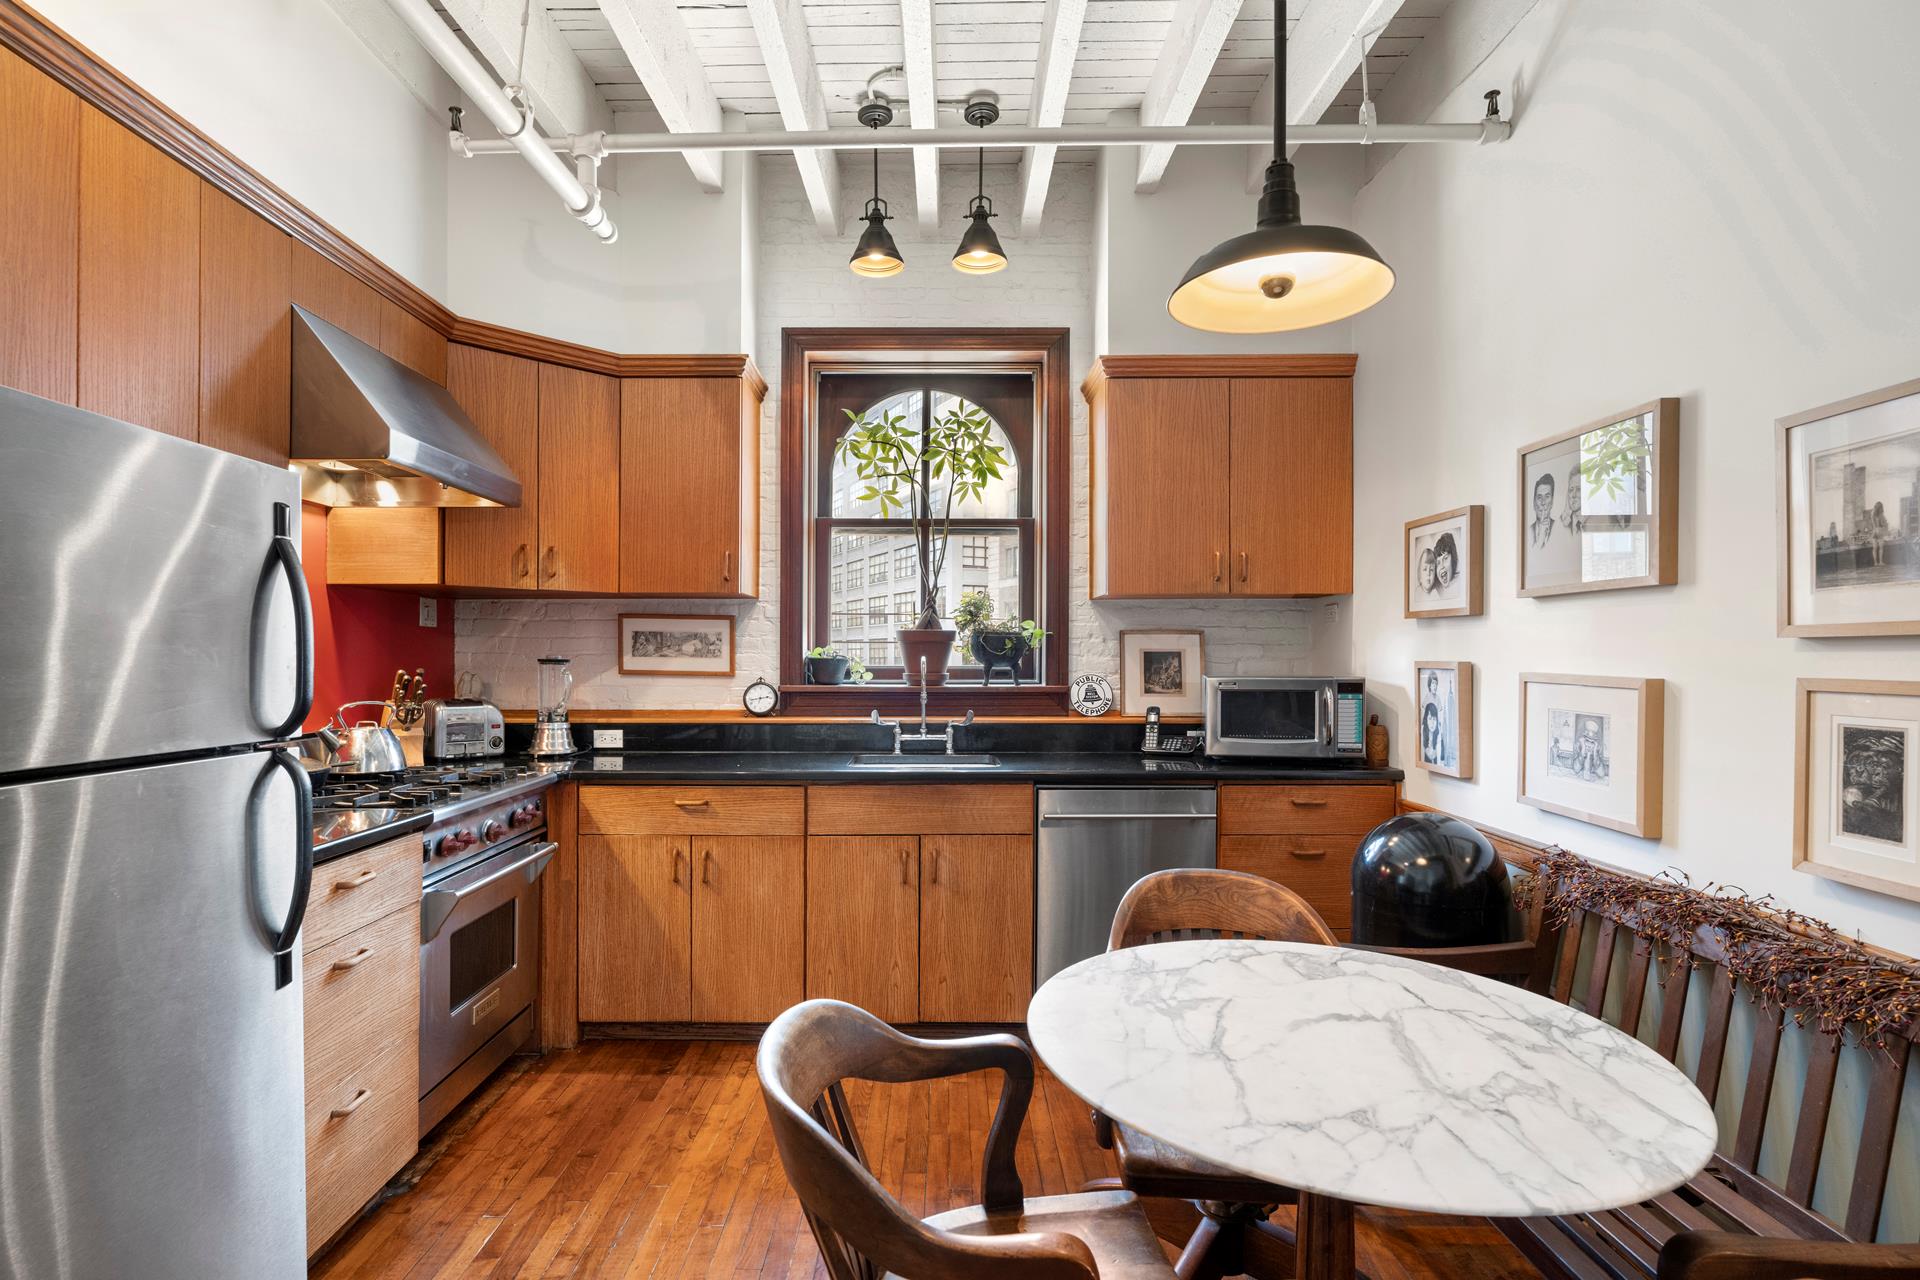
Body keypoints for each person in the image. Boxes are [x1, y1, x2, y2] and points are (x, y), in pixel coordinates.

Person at [1529, 472, 1556, 550]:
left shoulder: (1559, 528)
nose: (1543, 502)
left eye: (1547, 497)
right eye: (1539, 497)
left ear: (1552, 502)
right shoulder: (1528, 531)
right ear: (1534, 503)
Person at [1561, 464, 1585, 534]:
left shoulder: (1595, 522)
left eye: (1578, 489)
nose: (1573, 495)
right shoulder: (1562, 523)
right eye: (1571, 489)